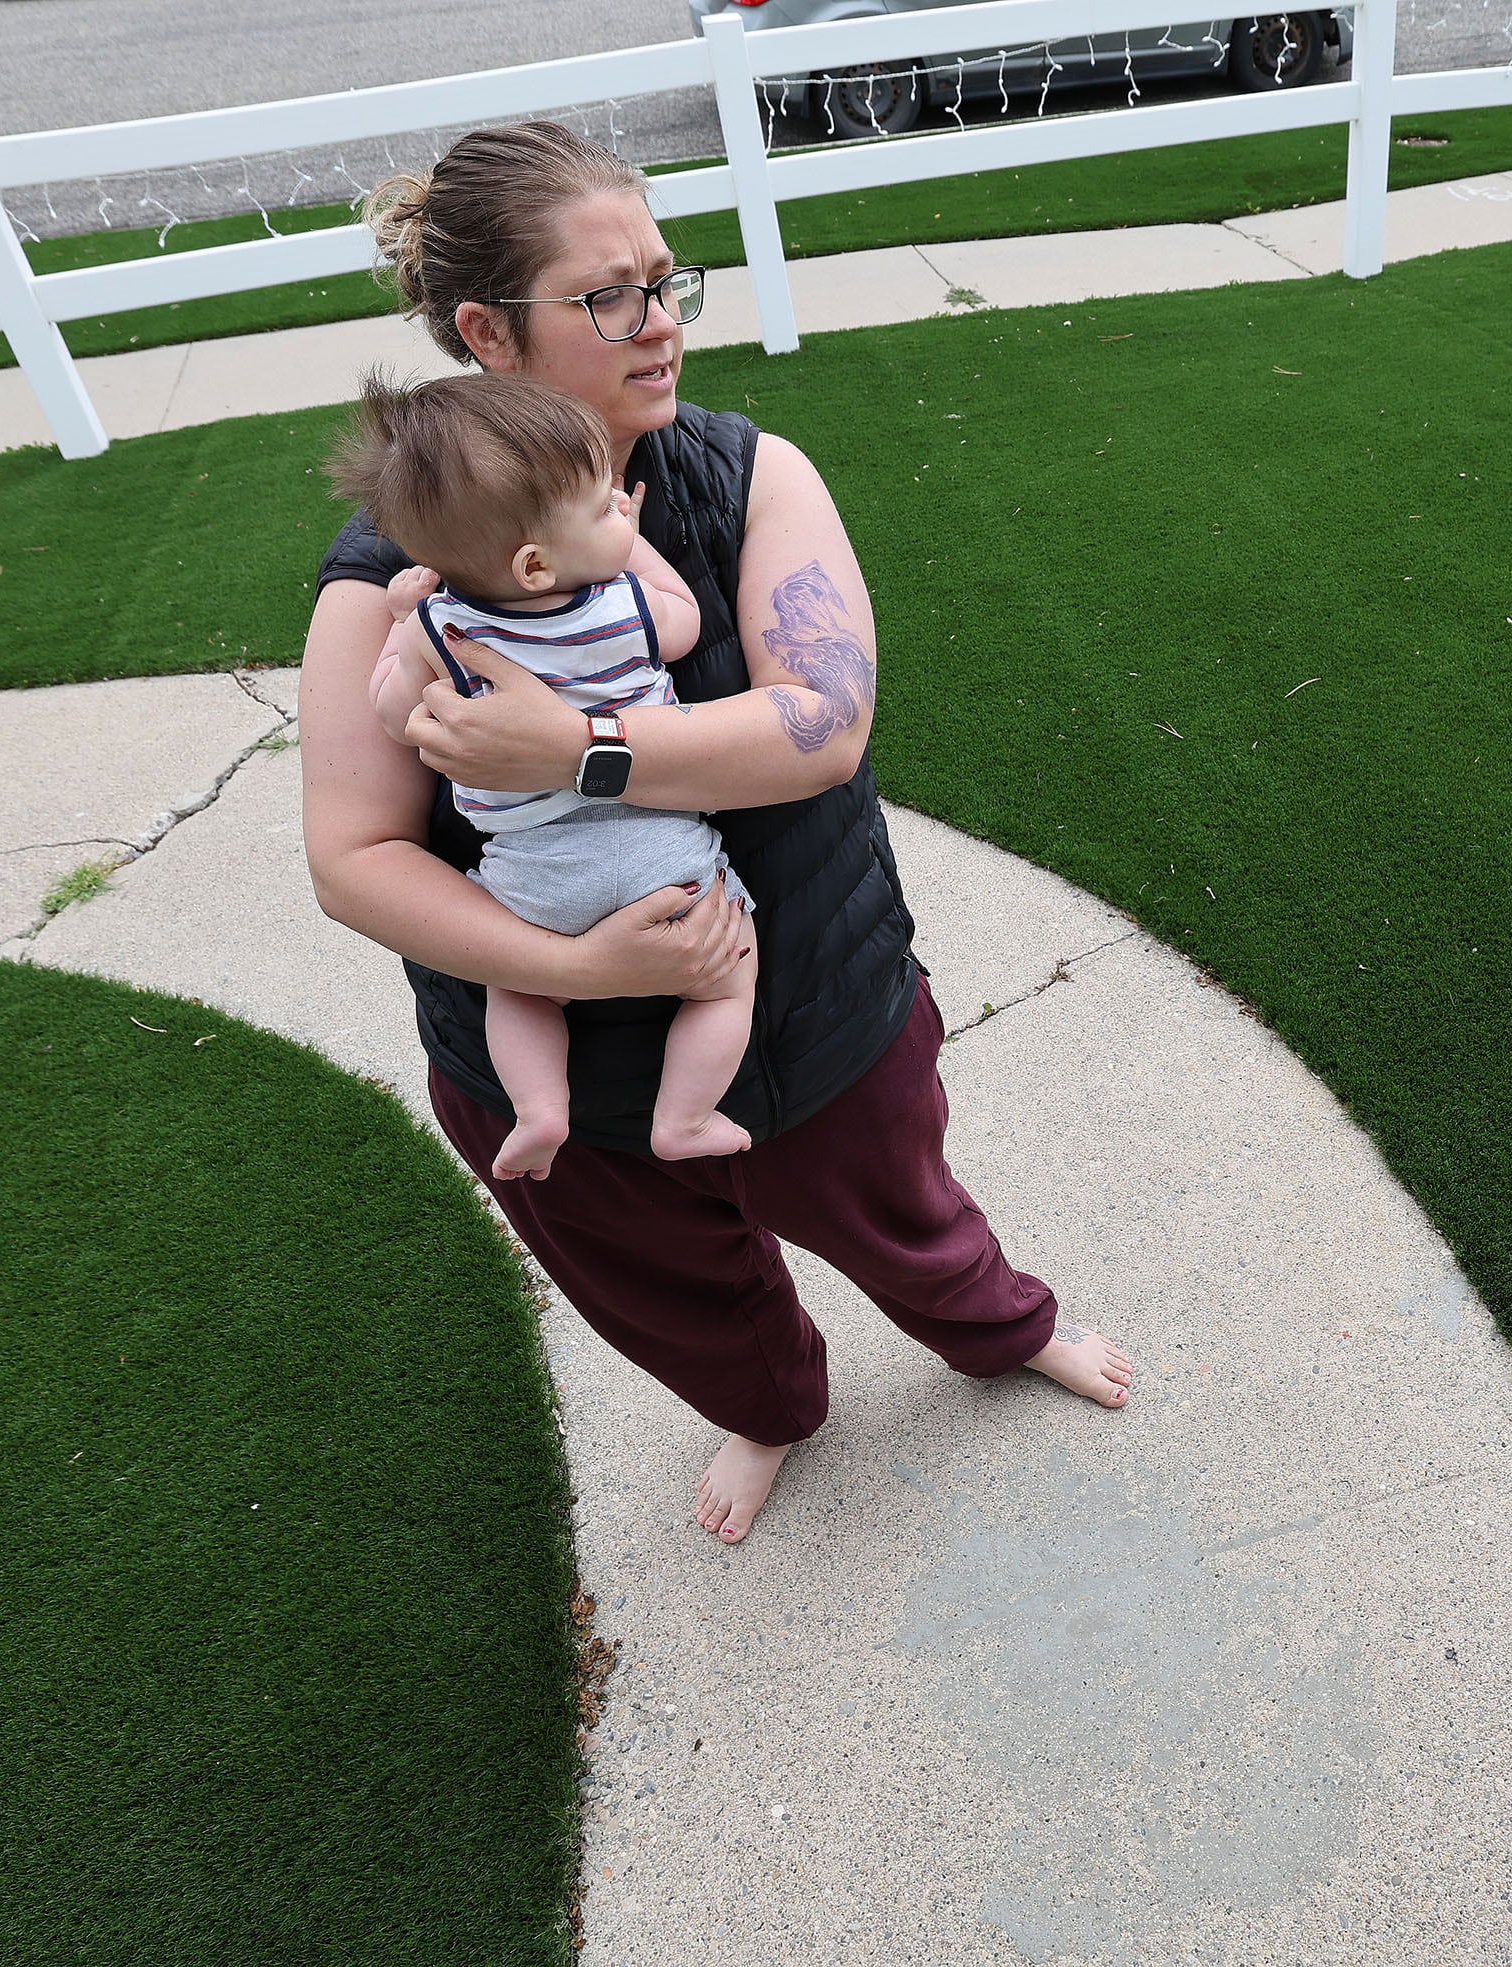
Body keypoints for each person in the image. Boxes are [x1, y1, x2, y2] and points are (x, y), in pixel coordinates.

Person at [297, 121, 1134, 1547]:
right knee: (676, 1294)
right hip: (553, 1073)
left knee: (911, 1216)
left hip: (811, 1006)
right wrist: (577, 971)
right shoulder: (393, 576)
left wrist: (577, 748)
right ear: (489, 333)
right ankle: (772, 1404)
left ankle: (1001, 1328)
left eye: (667, 281)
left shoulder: (748, 475)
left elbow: (827, 721)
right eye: (608, 297)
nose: (661, 322)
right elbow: (353, 859)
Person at [331, 370, 754, 1181]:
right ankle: (685, 1116)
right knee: (731, 974)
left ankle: (538, 1110)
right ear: (533, 565)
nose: (620, 506)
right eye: (601, 507)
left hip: (532, 872)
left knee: (517, 990)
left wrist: (400, 622)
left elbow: (391, 712)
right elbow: (685, 620)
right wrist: (634, 545)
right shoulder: (623, 604)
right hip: (659, 848)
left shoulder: (442, 628)